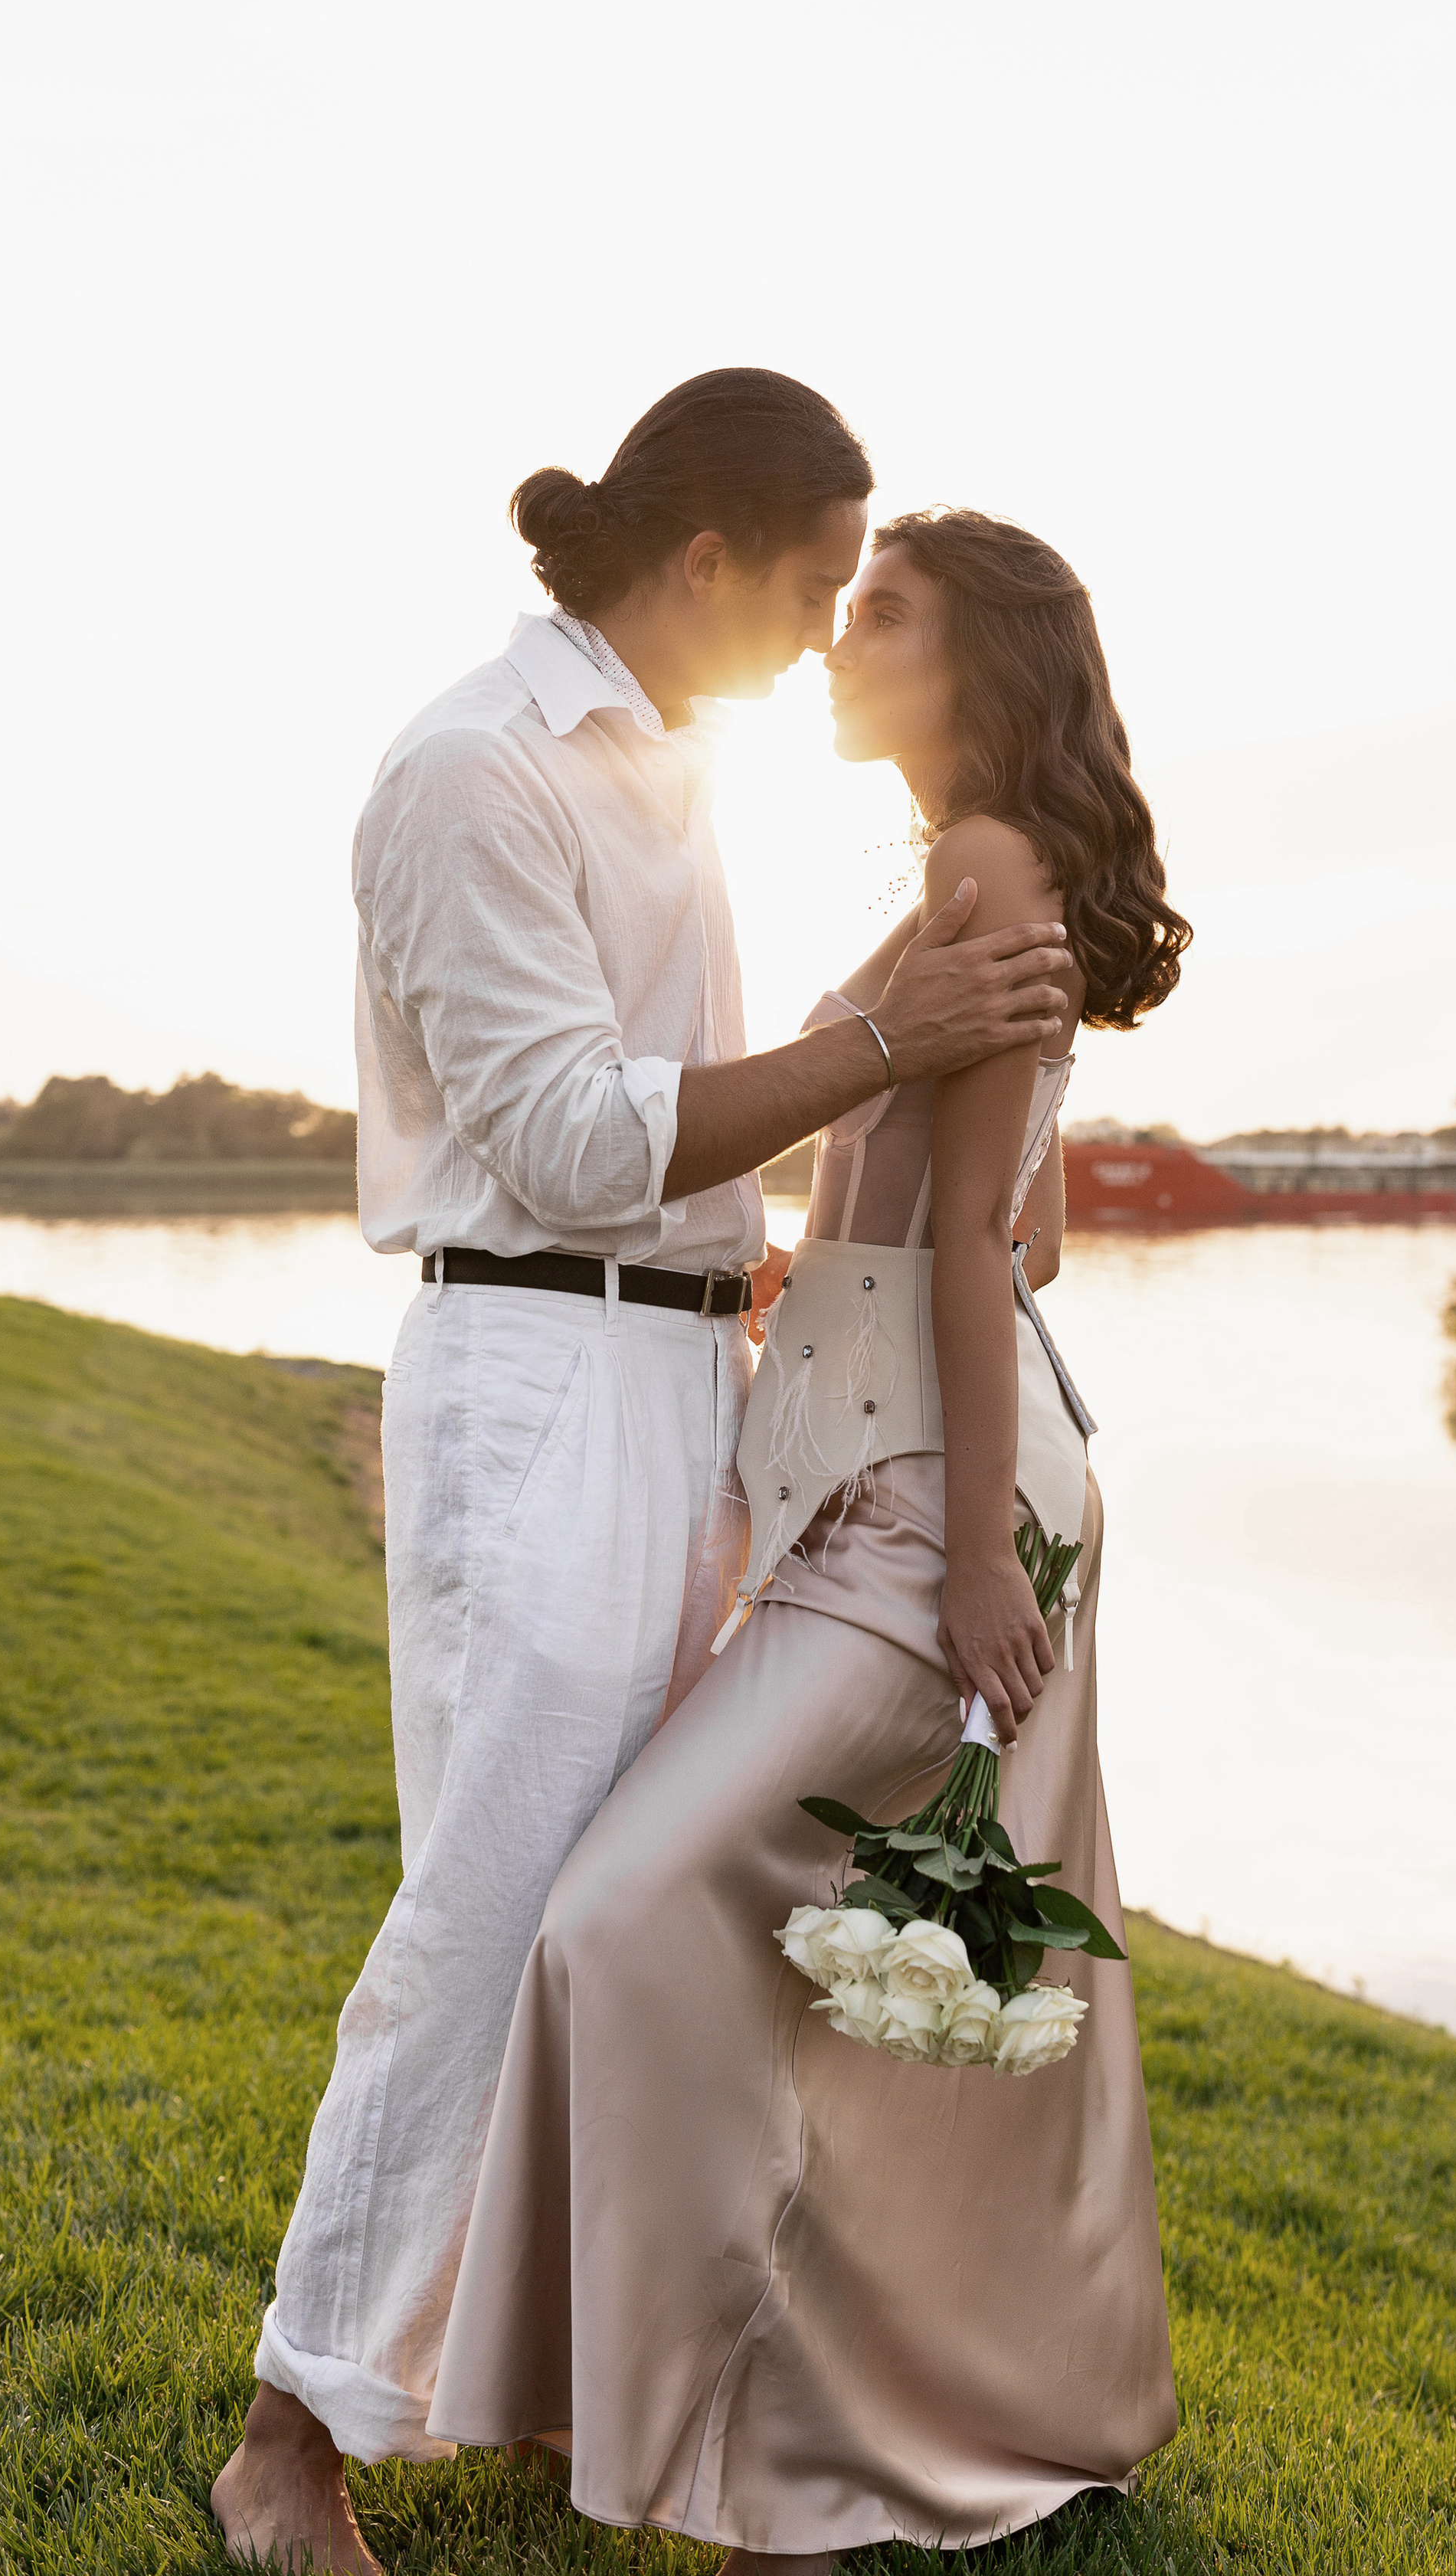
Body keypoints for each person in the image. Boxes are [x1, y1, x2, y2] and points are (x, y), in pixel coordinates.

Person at [211, 383, 1077, 2574]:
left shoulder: (671, 774)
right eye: (809, 589)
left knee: (605, 1907)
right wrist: (894, 1042)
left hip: (683, 1379)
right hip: (541, 1384)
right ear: (707, 562)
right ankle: (292, 2433)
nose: (815, 644)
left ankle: (504, 2376)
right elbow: (581, 1137)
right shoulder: (474, 775)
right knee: (494, 1908)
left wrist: (808, 1222)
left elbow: (678, 1140)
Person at [430, 508, 1190, 2567]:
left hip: (931, 1512)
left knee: (628, 1911)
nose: (840, 643)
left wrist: (959, 1579)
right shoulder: (975, 872)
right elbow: (1018, 1214)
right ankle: (641, 2393)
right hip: (907, 1475)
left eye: (885, 615)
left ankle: (716, 2427)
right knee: (775, 1945)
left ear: (987, 664)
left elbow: (971, 1243)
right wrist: (815, 1263)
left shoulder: (983, 865)